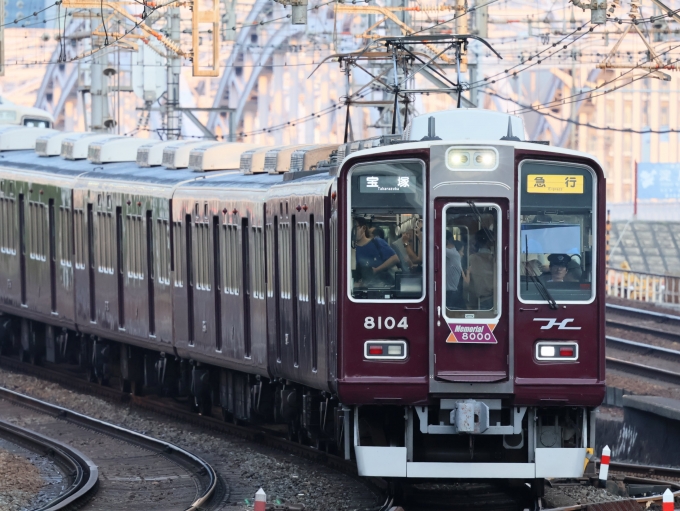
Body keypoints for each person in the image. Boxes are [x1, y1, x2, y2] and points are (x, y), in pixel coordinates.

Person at [353, 217, 400, 286]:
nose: (353, 231)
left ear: (363, 228)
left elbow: (394, 259)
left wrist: (376, 270)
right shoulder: (350, 248)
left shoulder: (376, 242)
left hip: (381, 285)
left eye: (355, 228)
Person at [464, 229, 495, 310]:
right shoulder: (494, 260)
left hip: (477, 300)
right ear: (489, 243)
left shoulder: (471, 259)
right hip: (493, 299)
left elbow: (466, 282)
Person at [445, 232, 465, 309]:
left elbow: (437, 248)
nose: (463, 254)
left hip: (451, 294)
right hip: (453, 293)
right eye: (462, 251)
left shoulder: (454, 255)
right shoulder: (453, 255)